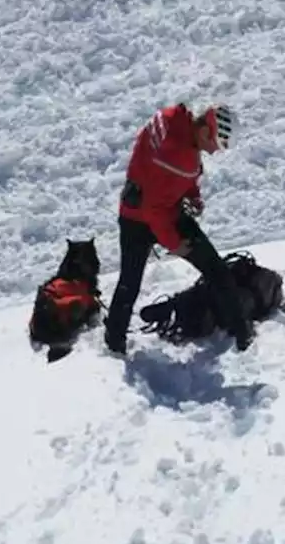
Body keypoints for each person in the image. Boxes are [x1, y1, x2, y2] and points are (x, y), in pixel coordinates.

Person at [104, 102, 252, 356]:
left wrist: (192, 194)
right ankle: (242, 334)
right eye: (217, 144)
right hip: (157, 216)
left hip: (131, 214)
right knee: (216, 270)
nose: (215, 151)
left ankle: (114, 342)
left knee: (129, 282)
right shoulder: (180, 158)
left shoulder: (172, 118)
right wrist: (175, 244)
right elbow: (155, 209)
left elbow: (163, 175)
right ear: (206, 132)